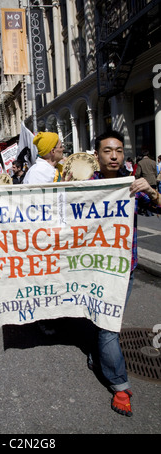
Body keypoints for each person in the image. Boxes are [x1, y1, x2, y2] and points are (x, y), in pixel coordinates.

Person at [90, 130, 161, 417]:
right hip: (89, 266)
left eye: (119, 150)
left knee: (108, 326)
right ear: (97, 155)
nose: (115, 155)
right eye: (108, 151)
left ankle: (120, 385)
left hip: (122, 268)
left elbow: (159, 206)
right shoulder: (84, 184)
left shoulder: (132, 185)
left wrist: (152, 191)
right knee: (97, 318)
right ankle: (102, 359)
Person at [23, 132, 65, 335]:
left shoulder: (52, 169)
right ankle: (44, 318)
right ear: (51, 151)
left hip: (54, 233)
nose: (63, 148)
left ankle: (55, 314)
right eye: (59, 145)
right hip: (42, 236)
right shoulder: (38, 172)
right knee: (45, 279)